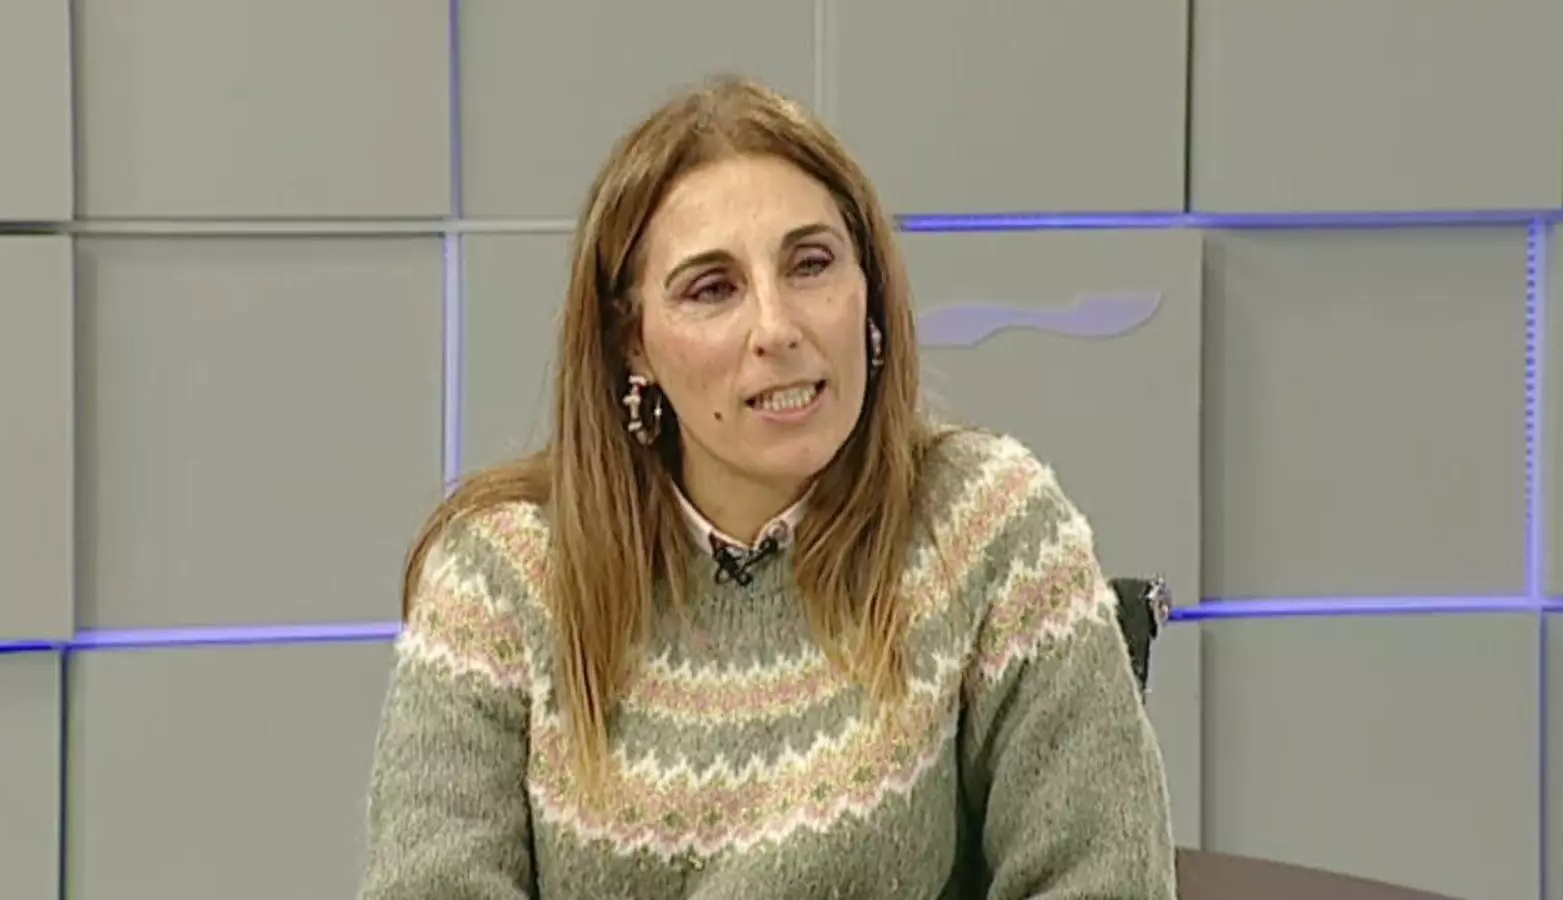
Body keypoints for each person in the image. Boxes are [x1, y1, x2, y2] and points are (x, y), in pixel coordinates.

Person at [357, 75, 1177, 900]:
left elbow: (1103, 879)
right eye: (712, 289)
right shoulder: (501, 577)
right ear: (632, 343)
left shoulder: (990, 524)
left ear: (870, 292)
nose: (778, 329)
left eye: (811, 265)